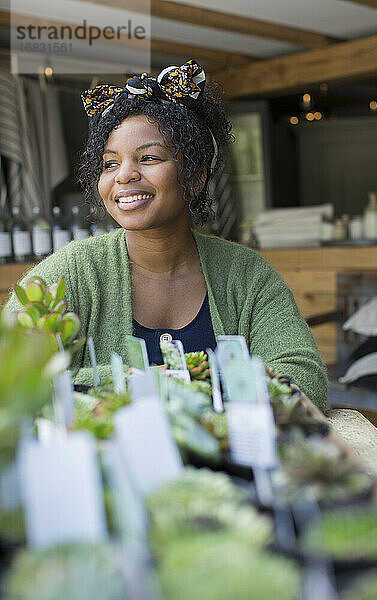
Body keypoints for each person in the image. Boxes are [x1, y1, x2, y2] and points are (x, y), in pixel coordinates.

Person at [4, 60, 328, 411]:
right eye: (110, 163)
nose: (124, 175)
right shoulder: (71, 273)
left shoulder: (248, 276)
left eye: (149, 158)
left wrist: (172, 386)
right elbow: (12, 378)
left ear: (195, 178)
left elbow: (304, 379)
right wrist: (156, 383)